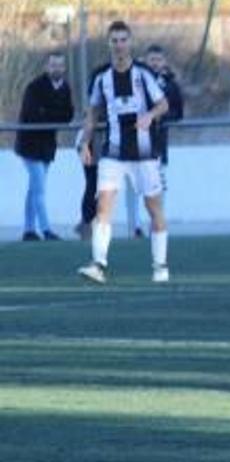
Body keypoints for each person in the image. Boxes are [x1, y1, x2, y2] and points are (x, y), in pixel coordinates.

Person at [76, 20, 170, 284]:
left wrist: (150, 115)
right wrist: (85, 142)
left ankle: (160, 266)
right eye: (114, 40)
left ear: (130, 43)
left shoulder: (143, 74)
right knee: (104, 204)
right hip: (113, 153)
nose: (119, 45)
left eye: (123, 40)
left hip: (144, 153)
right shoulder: (102, 78)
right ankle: (98, 264)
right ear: (109, 44)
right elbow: (92, 113)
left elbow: (163, 104)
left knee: (154, 209)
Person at [14, 52, 74, 242]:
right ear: (47, 67)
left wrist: (50, 114)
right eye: (53, 65)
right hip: (30, 144)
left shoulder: (65, 88)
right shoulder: (35, 87)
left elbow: (68, 114)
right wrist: (53, 115)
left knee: (34, 188)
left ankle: (28, 230)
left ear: (64, 68)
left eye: (60, 65)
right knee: (39, 187)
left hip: (47, 145)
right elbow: (33, 115)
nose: (56, 69)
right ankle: (46, 229)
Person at [128, 44, 185, 239]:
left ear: (164, 62)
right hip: (137, 141)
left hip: (159, 142)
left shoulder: (170, 85)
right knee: (137, 184)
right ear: (145, 61)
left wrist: (161, 116)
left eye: (158, 60)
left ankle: (157, 223)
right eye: (151, 60)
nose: (155, 63)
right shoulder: (135, 81)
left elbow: (178, 112)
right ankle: (134, 225)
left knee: (158, 184)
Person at [74, 129, 98, 241]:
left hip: (96, 141)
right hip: (90, 142)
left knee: (95, 185)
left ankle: (87, 221)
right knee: (92, 184)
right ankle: (86, 221)